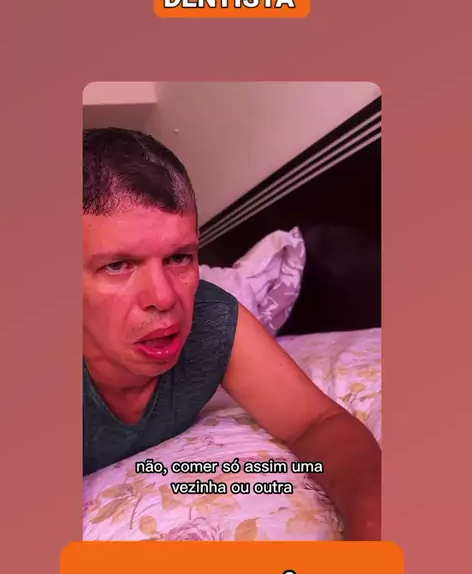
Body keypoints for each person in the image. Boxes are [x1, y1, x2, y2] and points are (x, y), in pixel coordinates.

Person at [83, 127, 381, 540]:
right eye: (117, 265)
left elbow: (317, 423)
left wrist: (373, 522)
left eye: (179, 258)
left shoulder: (212, 318)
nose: (164, 298)